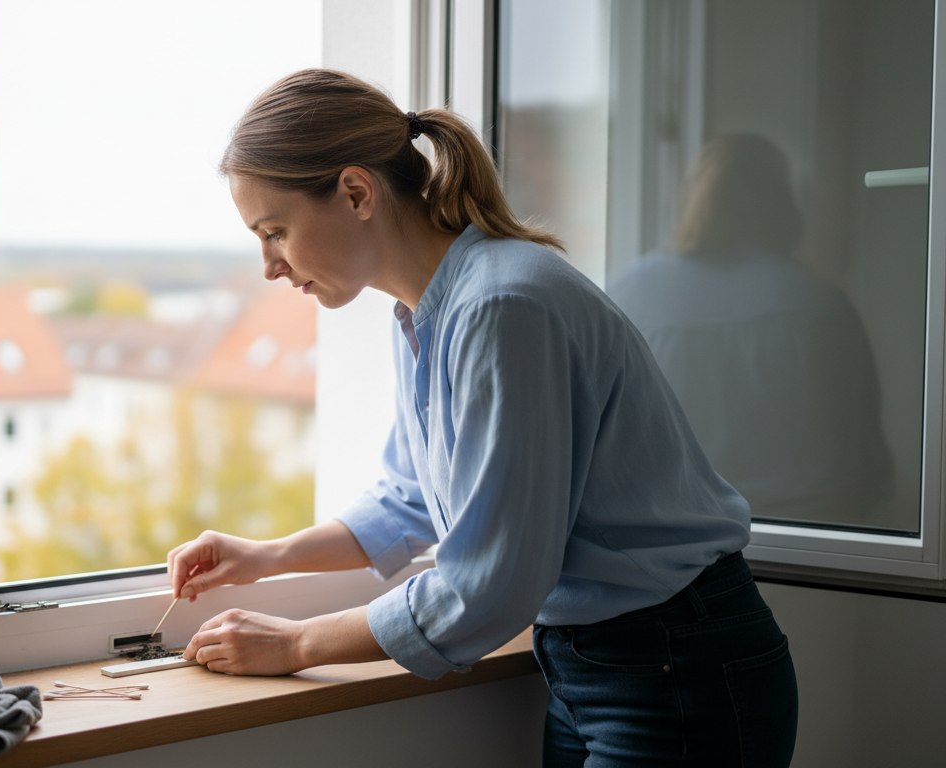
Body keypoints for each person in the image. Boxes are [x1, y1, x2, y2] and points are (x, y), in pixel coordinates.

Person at [167, 68, 798, 766]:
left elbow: (488, 585)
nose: (270, 267)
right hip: (600, 667)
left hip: (680, 670)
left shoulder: (502, 307)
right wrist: (269, 557)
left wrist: (296, 644)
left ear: (355, 192)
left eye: (275, 231)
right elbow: (411, 497)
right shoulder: (424, 312)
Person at [607, 133, 892, 528]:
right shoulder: (821, 305)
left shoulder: (626, 297)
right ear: (783, 204)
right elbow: (871, 468)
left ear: (693, 200)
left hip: (679, 548)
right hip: (819, 554)